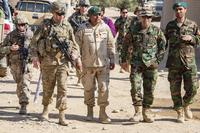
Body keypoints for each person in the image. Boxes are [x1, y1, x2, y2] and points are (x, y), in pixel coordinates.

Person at [30, 1, 82, 126]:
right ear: (53, 12)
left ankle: (61, 115)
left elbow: (74, 44)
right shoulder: (45, 25)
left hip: (63, 62)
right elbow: (33, 42)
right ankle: (45, 110)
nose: (61, 16)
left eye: (63, 14)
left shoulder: (67, 26)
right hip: (48, 61)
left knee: (63, 88)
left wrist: (75, 56)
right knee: (48, 87)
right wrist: (35, 57)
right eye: (58, 14)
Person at [121, 5, 166, 123]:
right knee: (135, 87)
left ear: (151, 18)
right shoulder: (133, 29)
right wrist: (124, 60)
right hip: (136, 63)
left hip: (151, 65)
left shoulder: (156, 31)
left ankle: (146, 111)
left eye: (148, 17)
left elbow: (163, 46)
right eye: (144, 17)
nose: (146, 19)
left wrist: (157, 60)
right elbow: (125, 45)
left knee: (149, 88)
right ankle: (137, 112)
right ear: (140, 17)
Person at [75, 6, 115, 124]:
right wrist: (77, 60)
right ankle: (89, 111)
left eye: (99, 14)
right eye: (95, 15)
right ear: (90, 16)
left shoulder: (105, 28)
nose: (98, 17)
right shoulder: (82, 28)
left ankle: (102, 113)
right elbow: (76, 46)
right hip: (88, 65)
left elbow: (110, 44)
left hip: (103, 65)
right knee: (88, 89)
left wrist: (112, 59)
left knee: (103, 89)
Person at [165, 2, 200, 123]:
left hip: (189, 62)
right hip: (174, 63)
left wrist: (192, 38)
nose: (178, 11)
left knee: (194, 87)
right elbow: (163, 42)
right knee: (174, 89)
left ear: (185, 10)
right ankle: (179, 112)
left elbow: (199, 39)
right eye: (176, 9)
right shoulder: (170, 25)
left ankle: (186, 104)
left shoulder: (192, 25)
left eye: (180, 9)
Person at [0, 14, 33, 114]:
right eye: (19, 25)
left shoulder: (31, 35)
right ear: (16, 25)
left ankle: (24, 104)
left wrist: (32, 54)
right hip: (14, 65)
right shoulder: (11, 35)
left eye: (23, 25)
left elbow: (38, 47)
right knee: (19, 83)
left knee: (25, 82)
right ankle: (22, 99)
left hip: (27, 63)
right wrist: (10, 48)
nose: (21, 27)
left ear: (26, 25)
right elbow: (1, 49)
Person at [68, 0, 90, 85]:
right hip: (76, 42)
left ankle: (84, 78)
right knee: (77, 61)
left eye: (85, 6)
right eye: (82, 6)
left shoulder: (90, 17)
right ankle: (80, 77)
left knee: (86, 62)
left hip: (87, 42)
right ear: (79, 6)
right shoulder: (73, 17)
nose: (84, 8)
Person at [114, 6, 133, 73]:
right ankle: (122, 67)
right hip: (120, 40)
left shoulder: (131, 20)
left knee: (129, 54)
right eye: (123, 12)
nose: (125, 14)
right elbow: (115, 30)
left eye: (126, 12)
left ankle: (128, 66)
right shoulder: (118, 21)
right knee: (120, 54)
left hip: (129, 40)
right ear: (120, 13)